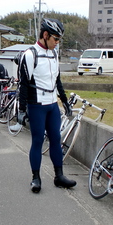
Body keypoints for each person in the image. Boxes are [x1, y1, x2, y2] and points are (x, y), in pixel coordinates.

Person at [17, 18, 74, 193]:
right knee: (37, 141)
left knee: (56, 140)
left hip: (52, 104)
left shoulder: (54, 54)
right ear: (45, 35)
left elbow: (57, 80)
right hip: (37, 105)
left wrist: (64, 100)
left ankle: (59, 176)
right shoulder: (30, 54)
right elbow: (23, 84)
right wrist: (21, 109)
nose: (57, 43)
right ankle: (36, 178)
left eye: (59, 40)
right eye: (55, 39)